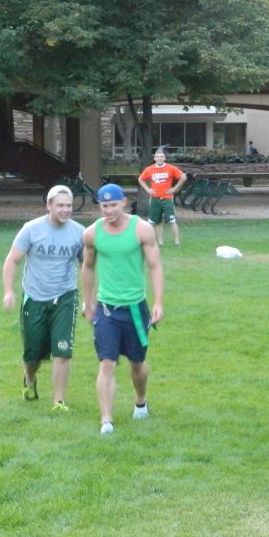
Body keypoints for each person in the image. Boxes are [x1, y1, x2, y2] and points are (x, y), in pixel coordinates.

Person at [81, 183, 164, 435]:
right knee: (107, 363)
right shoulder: (91, 234)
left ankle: (140, 400)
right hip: (106, 309)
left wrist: (158, 301)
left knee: (137, 363)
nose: (109, 211)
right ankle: (106, 420)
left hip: (136, 309)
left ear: (123, 203)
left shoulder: (141, 229)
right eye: (104, 206)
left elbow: (155, 266)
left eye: (113, 205)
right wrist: (88, 301)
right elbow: (87, 267)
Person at [2, 185, 86, 413]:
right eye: (60, 205)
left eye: (69, 206)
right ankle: (29, 378)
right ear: (48, 206)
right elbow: (12, 260)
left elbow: (86, 265)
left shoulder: (79, 232)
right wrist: (9, 291)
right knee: (34, 354)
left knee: (62, 350)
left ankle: (59, 401)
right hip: (35, 297)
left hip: (66, 296)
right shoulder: (31, 229)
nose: (65, 210)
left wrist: (89, 298)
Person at [138, 150, 187, 247]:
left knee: (172, 221)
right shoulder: (149, 169)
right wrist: (148, 189)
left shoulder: (170, 168)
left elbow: (183, 177)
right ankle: (160, 243)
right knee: (157, 221)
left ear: (164, 158)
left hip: (167, 198)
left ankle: (177, 242)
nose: (159, 158)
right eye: (158, 156)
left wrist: (175, 188)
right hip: (155, 199)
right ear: (154, 158)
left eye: (161, 156)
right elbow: (140, 179)